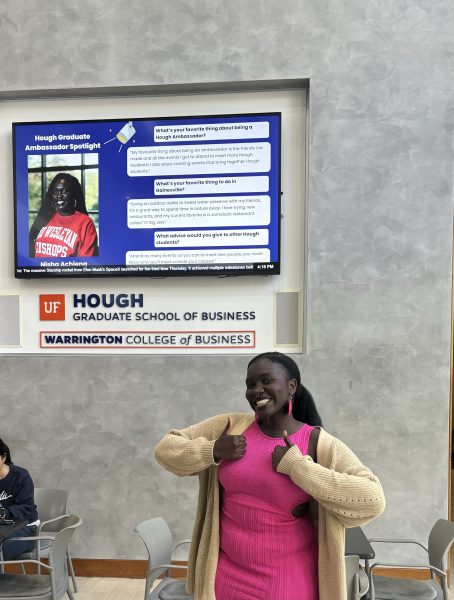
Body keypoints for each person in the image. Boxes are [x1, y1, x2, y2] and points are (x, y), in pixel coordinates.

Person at [155, 352, 386, 600]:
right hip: (226, 576)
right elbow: (165, 449)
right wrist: (212, 449)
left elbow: (372, 500)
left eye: (266, 381)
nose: (257, 390)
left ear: (291, 386)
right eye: (250, 384)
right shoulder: (230, 426)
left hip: (286, 580)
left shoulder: (317, 442)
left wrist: (300, 468)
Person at [29, 172, 98, 258]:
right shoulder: (46, 217)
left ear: (73, 194)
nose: (59, 196)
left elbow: (85, 265)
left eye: (64, 191)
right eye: (55, 192)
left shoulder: (86, 223)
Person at [0, 438, 39, 560]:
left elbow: (26, 508)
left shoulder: (21, 476)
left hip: (26, 527)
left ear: (3, 457)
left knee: (2, 551)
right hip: (2, 528)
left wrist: (3, 513)